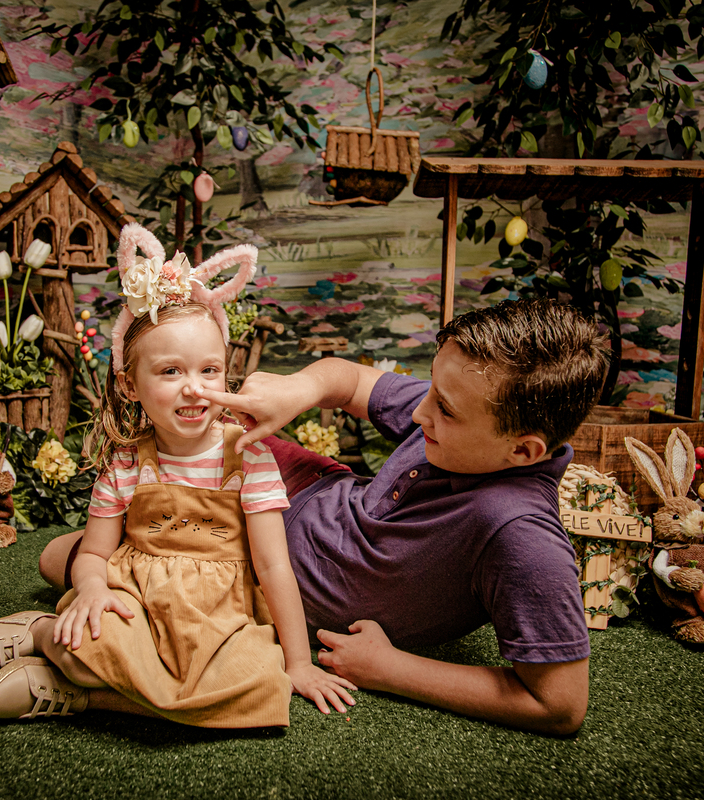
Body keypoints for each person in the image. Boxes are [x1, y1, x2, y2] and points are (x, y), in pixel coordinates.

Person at [0, 226, 354, 726]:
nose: (195, 389)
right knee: (86, 650)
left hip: (220, 618)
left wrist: (299, 662)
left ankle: (73, 693)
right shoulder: (128, 463)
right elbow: (92, 552)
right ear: (130, 383)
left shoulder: (250, 458)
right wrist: (92, 589)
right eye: (171, 372)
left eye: (210, 370)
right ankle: (41, 634)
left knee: (265, 689)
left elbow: (273, 566)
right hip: (135, 601)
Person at [192, 298, 610, 735]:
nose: (418, 413)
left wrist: (391, 669)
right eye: (430, 388)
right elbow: (351, 380)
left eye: (444, 410)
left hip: (266, 558)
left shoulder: (523, 537)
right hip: (310, 483)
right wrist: (301, 390)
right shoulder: (463, 402)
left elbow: (560, 705)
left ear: (523, 451)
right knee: (172, 433)